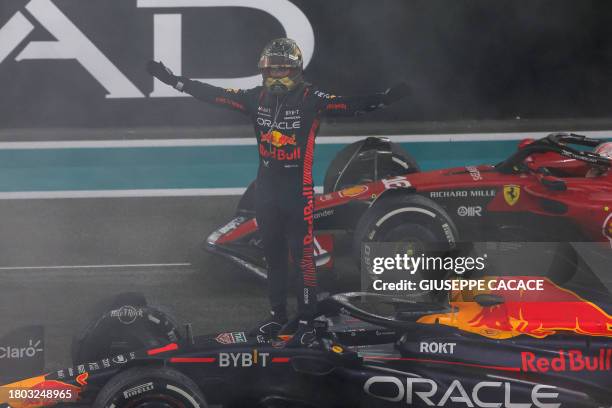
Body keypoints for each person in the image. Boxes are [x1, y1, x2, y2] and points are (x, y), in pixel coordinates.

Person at [147, 38, 410, 346]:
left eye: (282, 69)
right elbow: (214, 95)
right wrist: (176, 82)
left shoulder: (312, 98)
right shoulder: (253, 98)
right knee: (272, 257)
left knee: (302, 258)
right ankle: (277, 316)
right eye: (271, 70)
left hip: (298, 193)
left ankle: (309, 319)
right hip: (266, 192)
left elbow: (349, 104)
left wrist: (384, 99)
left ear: (296, 70)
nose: (275, 76)